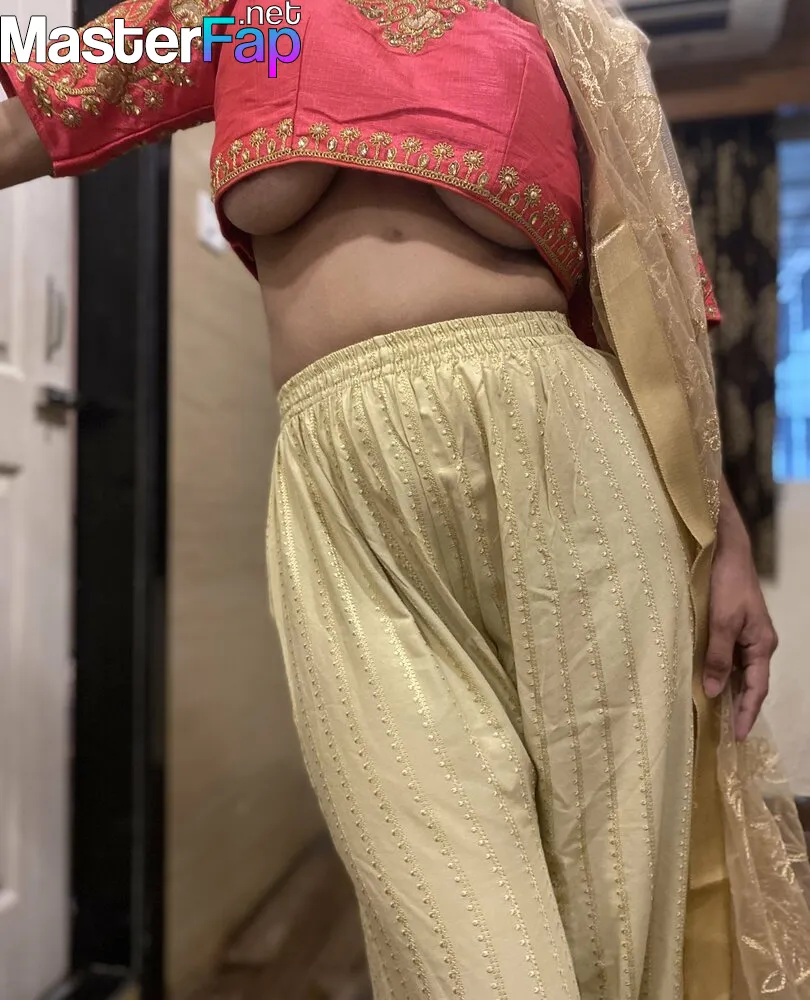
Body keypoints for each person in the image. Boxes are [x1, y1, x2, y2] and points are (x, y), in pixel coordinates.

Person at [2, 0, 809, 996]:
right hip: (351, 496)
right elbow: (38, 112)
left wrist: (726, 538)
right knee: (462, 940)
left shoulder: (559, 32)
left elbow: (653, 295)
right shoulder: (247, 17)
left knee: (616, 923)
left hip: (575, 455)